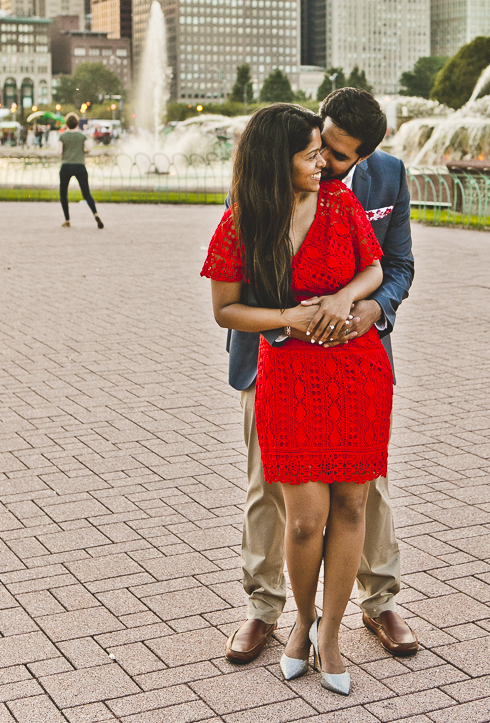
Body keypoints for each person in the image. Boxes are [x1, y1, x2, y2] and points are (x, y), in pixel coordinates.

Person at [202, 103, 396, 693]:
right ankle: (296, 623)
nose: (324, 164)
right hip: (287, 372)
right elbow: (225, 309)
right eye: (312, 153)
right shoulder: (245, 219)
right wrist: (288, 316)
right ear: (275, 160)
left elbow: (377, 267)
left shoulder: (340, 203)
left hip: (355, 370)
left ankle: (331, 637)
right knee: (304, 517)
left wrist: (348, 300)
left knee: (354, 507)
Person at [57, 112, 104, 229]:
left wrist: (66, 154)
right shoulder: (82, 136)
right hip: (80, 165)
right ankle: (95, 214)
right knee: (86, 193)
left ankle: (67, 219)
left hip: (66, 165)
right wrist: (83, 152)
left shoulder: (62, 136)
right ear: (77, 123)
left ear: (66, 124)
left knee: (63, 193)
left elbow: (59, 152)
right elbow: (89, 148)